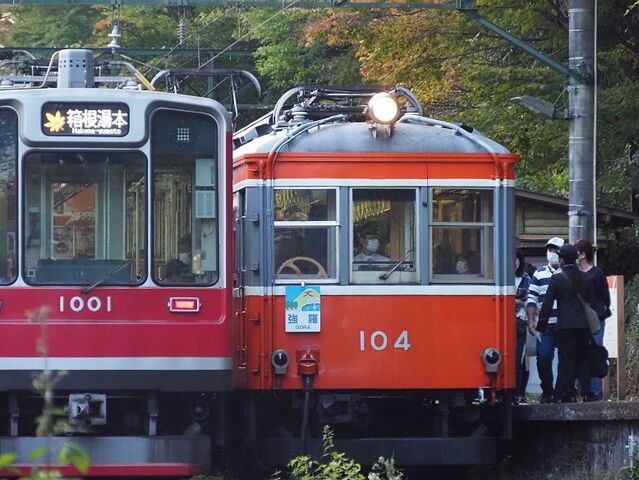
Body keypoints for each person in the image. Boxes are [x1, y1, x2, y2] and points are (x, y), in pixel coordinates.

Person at [537, 244, 592, 403]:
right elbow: (590, 301)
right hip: (584, 325)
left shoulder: (557, 279)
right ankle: (586, 392)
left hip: (566, 325)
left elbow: (547, 305)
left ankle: (565, 393)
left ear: (562, 260)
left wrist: (541, 326)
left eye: (559, 257)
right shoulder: (586, 277)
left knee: (566, 359)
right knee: (583, 358)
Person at [526, 236, 564, 403]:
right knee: (544, 356)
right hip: (545, 324)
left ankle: (562, 391)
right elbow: (532, 298)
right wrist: (531, 319)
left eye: (555, 250)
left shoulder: (569, 272)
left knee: (566, 359)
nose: (552, 253)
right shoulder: (539, 273)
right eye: (550, 249)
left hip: (565, 324)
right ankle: (547, 389)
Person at [576, 238, 611, 401]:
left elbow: (606, 297)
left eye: (577, 251)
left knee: (595, 352)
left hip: (595, 318)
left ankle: (595, 392)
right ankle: (584, 390)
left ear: (583, 254)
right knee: (581, 354)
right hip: (578, 319)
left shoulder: (597, 273)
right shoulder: (573, 273)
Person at [515, 249, 531, 404]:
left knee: (520, 359)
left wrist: (514, 302)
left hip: (520, 323)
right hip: (502, 323)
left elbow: (529, 302)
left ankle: (520, 393)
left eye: (516, 259)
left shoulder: (526, 279)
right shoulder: (502, 278)